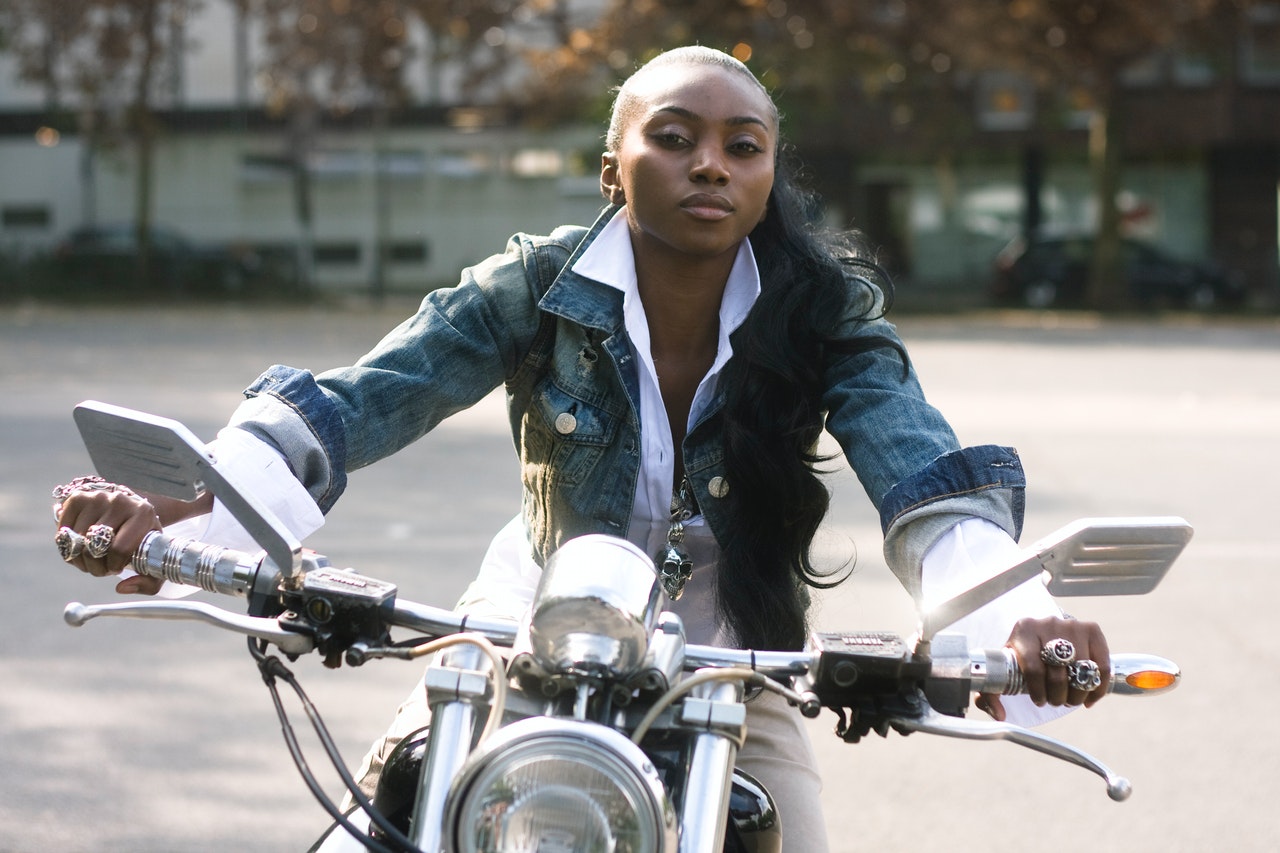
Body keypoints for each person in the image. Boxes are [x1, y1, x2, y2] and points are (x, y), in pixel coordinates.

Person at [53, 46, 1110, 852]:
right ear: (615, 166)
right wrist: (194, 511)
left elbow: (915, 464)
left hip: (730, 668)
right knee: (368, 828)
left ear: (768, 172)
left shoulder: (823, 313)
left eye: (742, 146)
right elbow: (365, 398)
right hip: (521, 636)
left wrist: (1011, 616)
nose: (710, 162)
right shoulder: (532, 286)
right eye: (674, 136)